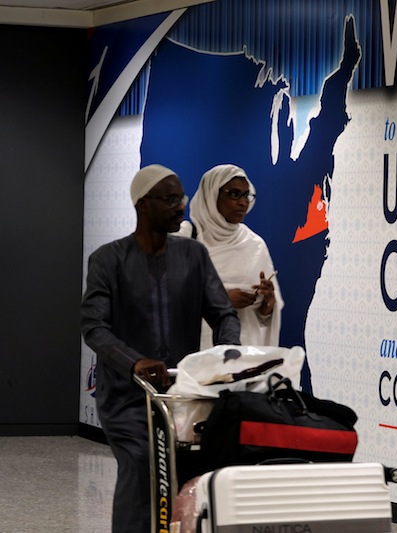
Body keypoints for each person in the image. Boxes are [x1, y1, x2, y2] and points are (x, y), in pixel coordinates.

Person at [80, 164, 240, 533]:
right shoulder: (107, 260)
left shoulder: (194, 256)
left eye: (180, 198)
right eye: (169, 200)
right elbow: (94, 327)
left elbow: (223, 313)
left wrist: (228, 354)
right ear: (142, 204)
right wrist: (134, 362)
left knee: (190, 474)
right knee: (142, 463)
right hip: (126, 398)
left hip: (183, 396)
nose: (180, 207)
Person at [178, 163, 283, 348]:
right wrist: (222, 300)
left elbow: (265, 315)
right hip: (197, 351)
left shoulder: (254, 244)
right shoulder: (184, 239)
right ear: (211, 195)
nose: (243, 202)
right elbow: (167, 300)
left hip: (243, 351)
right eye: (234, 194)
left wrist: (267, 300)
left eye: (246, 195)